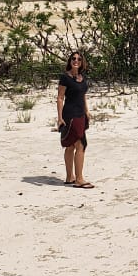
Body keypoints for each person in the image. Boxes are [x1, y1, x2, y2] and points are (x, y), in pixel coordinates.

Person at [56, 51, 94, 188]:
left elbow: (82, 95)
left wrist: (87, 110)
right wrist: (60, 118)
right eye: (73, 58)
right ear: (69, 61)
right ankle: (79, 179)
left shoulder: (81, 77)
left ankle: (69, 177)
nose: (76, 61)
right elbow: (60, 98)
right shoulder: (65, 78)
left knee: (71, 145)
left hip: (81, 114)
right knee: (80, 144)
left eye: (79, 59)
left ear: (82, 62)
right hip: (71, 114)